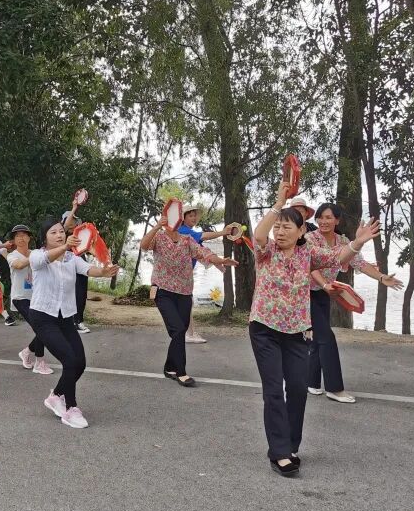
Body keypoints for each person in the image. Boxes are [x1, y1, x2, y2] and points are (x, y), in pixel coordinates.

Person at [249, 182, 381, 477]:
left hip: (297, 331)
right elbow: (258, 235)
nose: (280, 232)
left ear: (301, 232)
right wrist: (278, 204)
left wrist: (358, 242)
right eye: (278, 227)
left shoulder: (308, 252)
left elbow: (337, 258)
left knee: (298, 388)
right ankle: (280, 452)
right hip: (265, 328)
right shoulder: (266, 252)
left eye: (287, 227)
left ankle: (291, 445)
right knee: (274, 390)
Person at [306, 202, 403, 403]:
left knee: (318, 338)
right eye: (320, 217)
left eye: (328, 217)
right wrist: (325, 284)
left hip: (324, 293)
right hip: (305, 293)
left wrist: (381, 277)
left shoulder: (343, 241)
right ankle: (334, 389)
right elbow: (311, 266)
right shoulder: (310, 238)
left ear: (337, 220)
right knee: (326, 338)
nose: (323, 221)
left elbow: (359, 263)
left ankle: (311, 382)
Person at [29, 220, 119, 428]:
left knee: (80, 363)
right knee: (69, 359)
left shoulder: (72, 259)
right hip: (42, 316)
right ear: (44, 237)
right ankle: (71, 409)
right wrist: (65, 246)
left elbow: (89, 270)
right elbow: (44, 260)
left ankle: (56, 396)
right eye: (53, 232)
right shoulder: (37, 255)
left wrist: (104, 272)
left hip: (65, 317)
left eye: (61, 231)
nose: (59, 234)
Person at [139, 211, 238, 387]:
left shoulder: (187, 240)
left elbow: (203, 253)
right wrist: (156, 226)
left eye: (177, 217)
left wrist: (221, 260)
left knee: (181, 330)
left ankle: (169, 367)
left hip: (184, 292)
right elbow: (144, 245)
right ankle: (181, 372)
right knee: (177, 330)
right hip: (163, 291)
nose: (175, 221)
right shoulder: (159, 237)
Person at [173, 204, 234, 344]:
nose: (194, 218)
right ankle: (188, 333)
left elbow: (203, 252)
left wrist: (218, 263)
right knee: (186, 303)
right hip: (180, 274)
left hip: (183, 274)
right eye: (190, 215)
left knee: (186, 303)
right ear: (183, 218)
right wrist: (223, 232)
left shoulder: (189, 235)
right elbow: (203, 236)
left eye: (195, 216)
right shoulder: (184, 231)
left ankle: (187, 332)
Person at [7, 224, 52, 375]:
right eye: (17, 236)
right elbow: (19, 265)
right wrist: (36, 257)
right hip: (20, 298)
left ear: (29, 237)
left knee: (42, 328)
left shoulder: (35, 253)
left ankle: (26, 352)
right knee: (41, 328)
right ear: (14, 240)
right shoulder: (12, 256)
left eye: (23, 235)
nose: (21, 238)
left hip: (36, 297)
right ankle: (39, 363)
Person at [61, 202, 94, 334]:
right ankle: (69, 321)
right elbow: (65, 226)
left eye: (75, 221)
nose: (72, 223)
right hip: (65, 264)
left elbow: (89, 247)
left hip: (80, 262)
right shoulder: (61, 235)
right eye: (70, 220)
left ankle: (78, 320)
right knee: (68, 293)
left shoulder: (80, 235)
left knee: (81, 293)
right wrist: (74, 208)